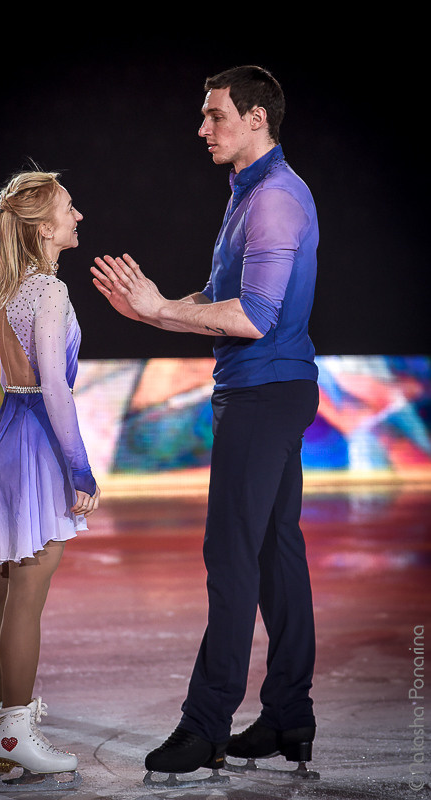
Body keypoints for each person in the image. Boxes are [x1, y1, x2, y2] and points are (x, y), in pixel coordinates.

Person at [91, 65, 319, 779]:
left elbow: (253, 317)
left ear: (257, 118)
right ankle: (289, 715)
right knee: (275, 557)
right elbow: (224, 297)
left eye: (215, 115)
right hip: (271, 391)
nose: (202, 128)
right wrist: (155, 311)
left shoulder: (273, 199)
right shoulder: (252, 191)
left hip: (263, 397)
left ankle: (205, 725)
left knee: (232, 559)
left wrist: (160, 310)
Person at [0, 170, 100, 788]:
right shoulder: (48, 290)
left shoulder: (6, 291)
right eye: (69, 208)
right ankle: (16, 734)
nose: (77, 217)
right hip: (37, 442)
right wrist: (81, 467)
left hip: (3, 442)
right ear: (43, 228)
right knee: (27, 593)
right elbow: (55, 389)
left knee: (1, 588)